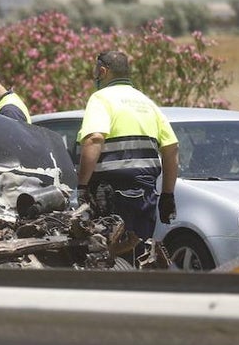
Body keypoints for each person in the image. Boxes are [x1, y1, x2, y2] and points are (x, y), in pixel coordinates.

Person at [76, 50, 179, 256]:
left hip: (111, 194)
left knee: (107, 255)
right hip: (146, 194)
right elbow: (171, 149)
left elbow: (94, 139)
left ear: (103, 71)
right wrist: (167, 195)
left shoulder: (101, 98)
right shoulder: (147, 103)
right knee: (139, 254)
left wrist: (82, 186)